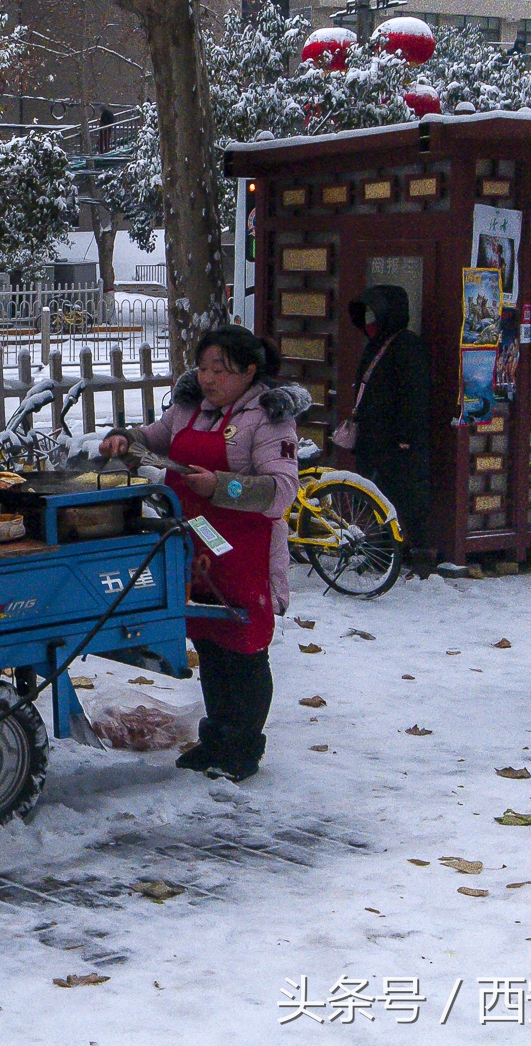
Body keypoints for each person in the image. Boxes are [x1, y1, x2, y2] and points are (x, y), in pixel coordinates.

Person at [99, 326, 309, 782]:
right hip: (195, 546)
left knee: (244, 646)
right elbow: (150, 438)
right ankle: (215, 739)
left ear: (249, 372)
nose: (209, 378)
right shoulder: (189, 407)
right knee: (210, 643)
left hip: (244, 549)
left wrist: (221, 485)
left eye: (221, 369)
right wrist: (123, 440)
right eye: (204, 367)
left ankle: (242, 747)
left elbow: (282, 490)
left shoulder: (269, 419)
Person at [345, 285, 431, 566]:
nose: (371, 319)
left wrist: (406, 435)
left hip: (396, 440)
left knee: (400, 495)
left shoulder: (406, 344)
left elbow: (414, 393)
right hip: (372, 435)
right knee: (372, 492)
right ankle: (378, 551)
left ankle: (407, 553)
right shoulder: (378, 342)